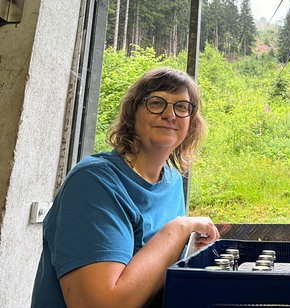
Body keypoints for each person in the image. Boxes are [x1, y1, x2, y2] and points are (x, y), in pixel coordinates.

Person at [31, 67, 220, 307]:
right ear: (132, 114)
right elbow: (101, 304)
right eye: (156, 103)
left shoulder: (171, 180)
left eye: (181, 107)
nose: (170, 114)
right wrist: (178, 229)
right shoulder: (94, 181)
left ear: (191, 123)